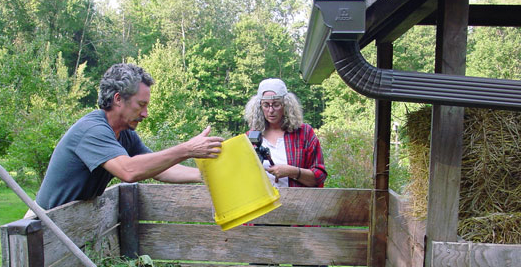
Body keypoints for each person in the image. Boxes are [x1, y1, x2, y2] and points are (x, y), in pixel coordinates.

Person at [33, 63, 223, 211]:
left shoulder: (124, 134)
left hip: (71, 222)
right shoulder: (92, 131)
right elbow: (128, 171)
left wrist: (204, 175)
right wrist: (187, 149)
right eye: (141, 104)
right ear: (118, 99)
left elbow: (159, 170)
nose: (146, 113)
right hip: (43, 224)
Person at [244, 78, 327, 188]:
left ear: (286, 105)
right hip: (262, 203)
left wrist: (292, 172)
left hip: (298, 202)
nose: (271, 110)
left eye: (276, 104)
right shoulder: (250, 137)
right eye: (266, 105)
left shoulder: (304, 133)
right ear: (260, 107)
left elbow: (319, 177)